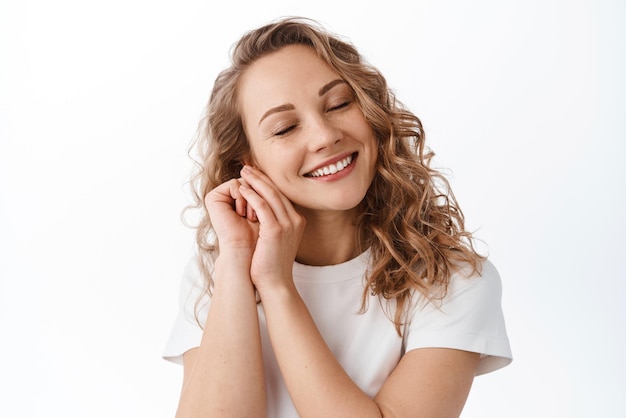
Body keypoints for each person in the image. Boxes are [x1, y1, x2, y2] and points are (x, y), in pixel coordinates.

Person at [163, 17, 512, 418]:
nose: (324, 135)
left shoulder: (450, 279)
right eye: (284, 128)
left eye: (339, 104)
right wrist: (237, 260)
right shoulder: (217, 273)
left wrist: (278, 288)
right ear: (249, 162)